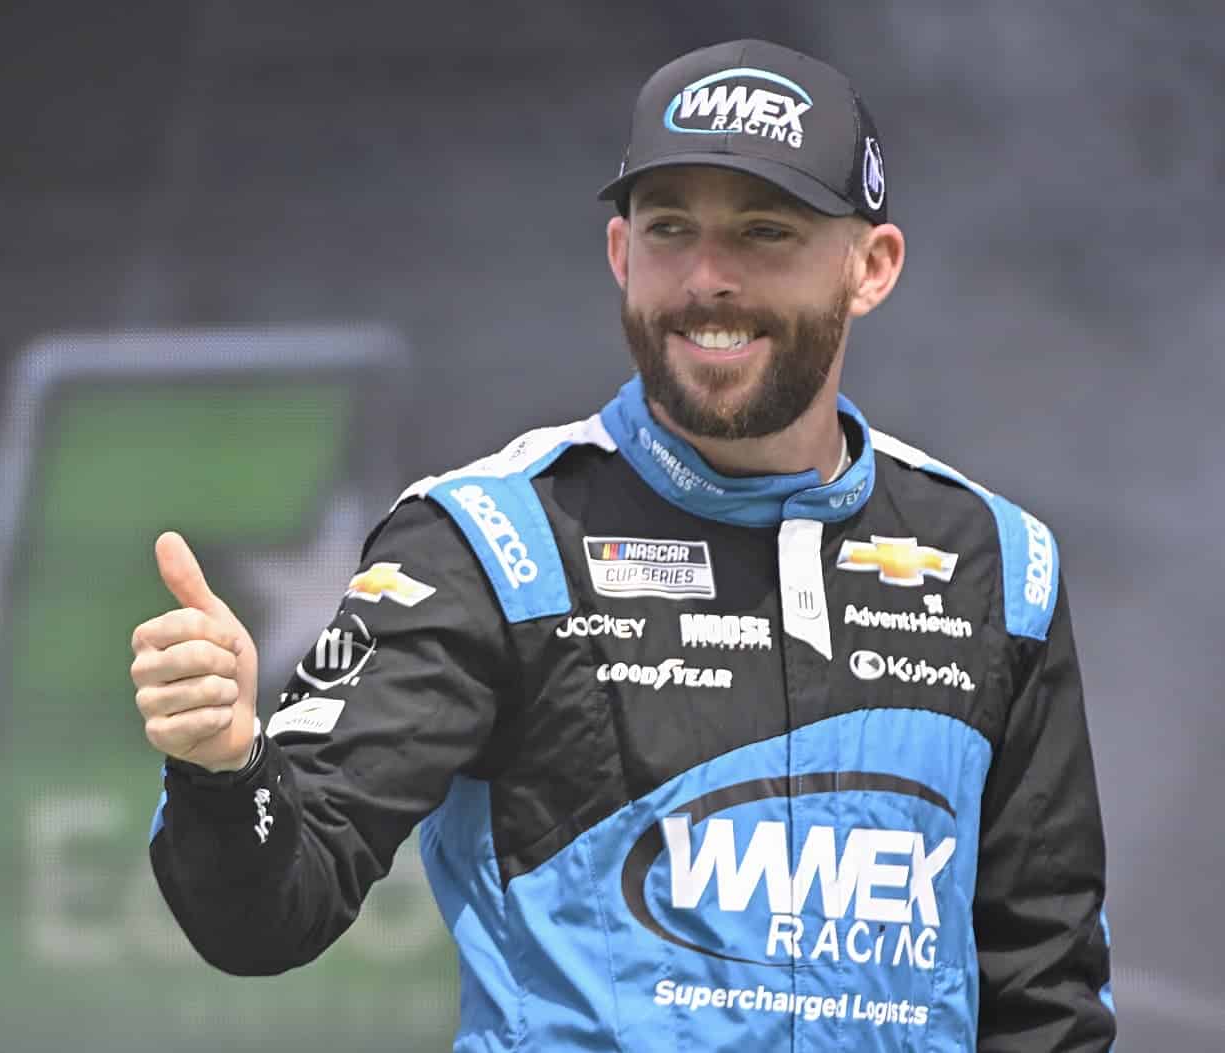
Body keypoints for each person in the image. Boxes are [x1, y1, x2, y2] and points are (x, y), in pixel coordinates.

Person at [130, 38, 1116, 1051]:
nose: (707, 279)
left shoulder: (998, 564)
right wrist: (223, 768)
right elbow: (263, 917)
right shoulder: (493, 543)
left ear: (871, 268)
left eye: (765, 232)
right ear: (620, 255)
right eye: (671, 229)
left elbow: (1045, 994)